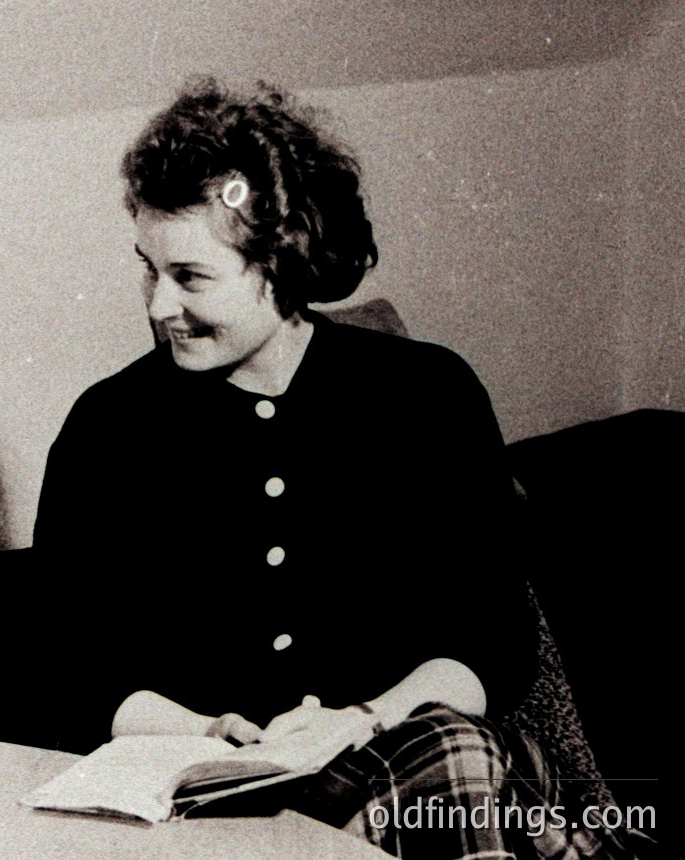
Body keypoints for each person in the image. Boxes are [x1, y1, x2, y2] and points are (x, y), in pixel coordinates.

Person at [33, 79, 627, 859]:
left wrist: (368, 717)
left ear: (281, 262)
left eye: (191, 276)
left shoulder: (425, 393)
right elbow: (64, 665)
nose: (157, 305)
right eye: (149, 268)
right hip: (213, 807)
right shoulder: (108, 429)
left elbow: (494, 636)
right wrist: (200, 731)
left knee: (454, 754)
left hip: (423, 759)